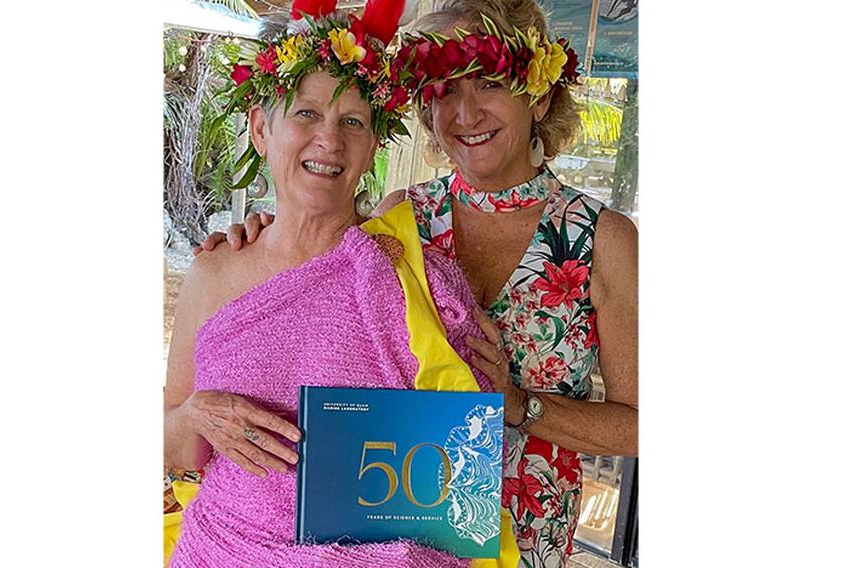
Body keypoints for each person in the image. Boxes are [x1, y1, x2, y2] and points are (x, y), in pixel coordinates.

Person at [199, 1, 638, 566]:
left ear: (541, 93)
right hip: (401, 532)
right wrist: (262, 236)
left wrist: (520, 406)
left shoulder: (601, 238)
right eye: (443, 90)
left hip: (525, 536)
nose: (465, 114)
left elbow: (639, 427)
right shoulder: (402, 217)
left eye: (488, 83)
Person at [165, 4, 506, 567]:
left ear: (373, 147)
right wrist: (197, 416)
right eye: (305, 113)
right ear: (259, 129)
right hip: (219, 550)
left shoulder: (420, 282)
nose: (329, 139)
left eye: (353, 121)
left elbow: (462, 486)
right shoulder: (215, 271)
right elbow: (168, 438)